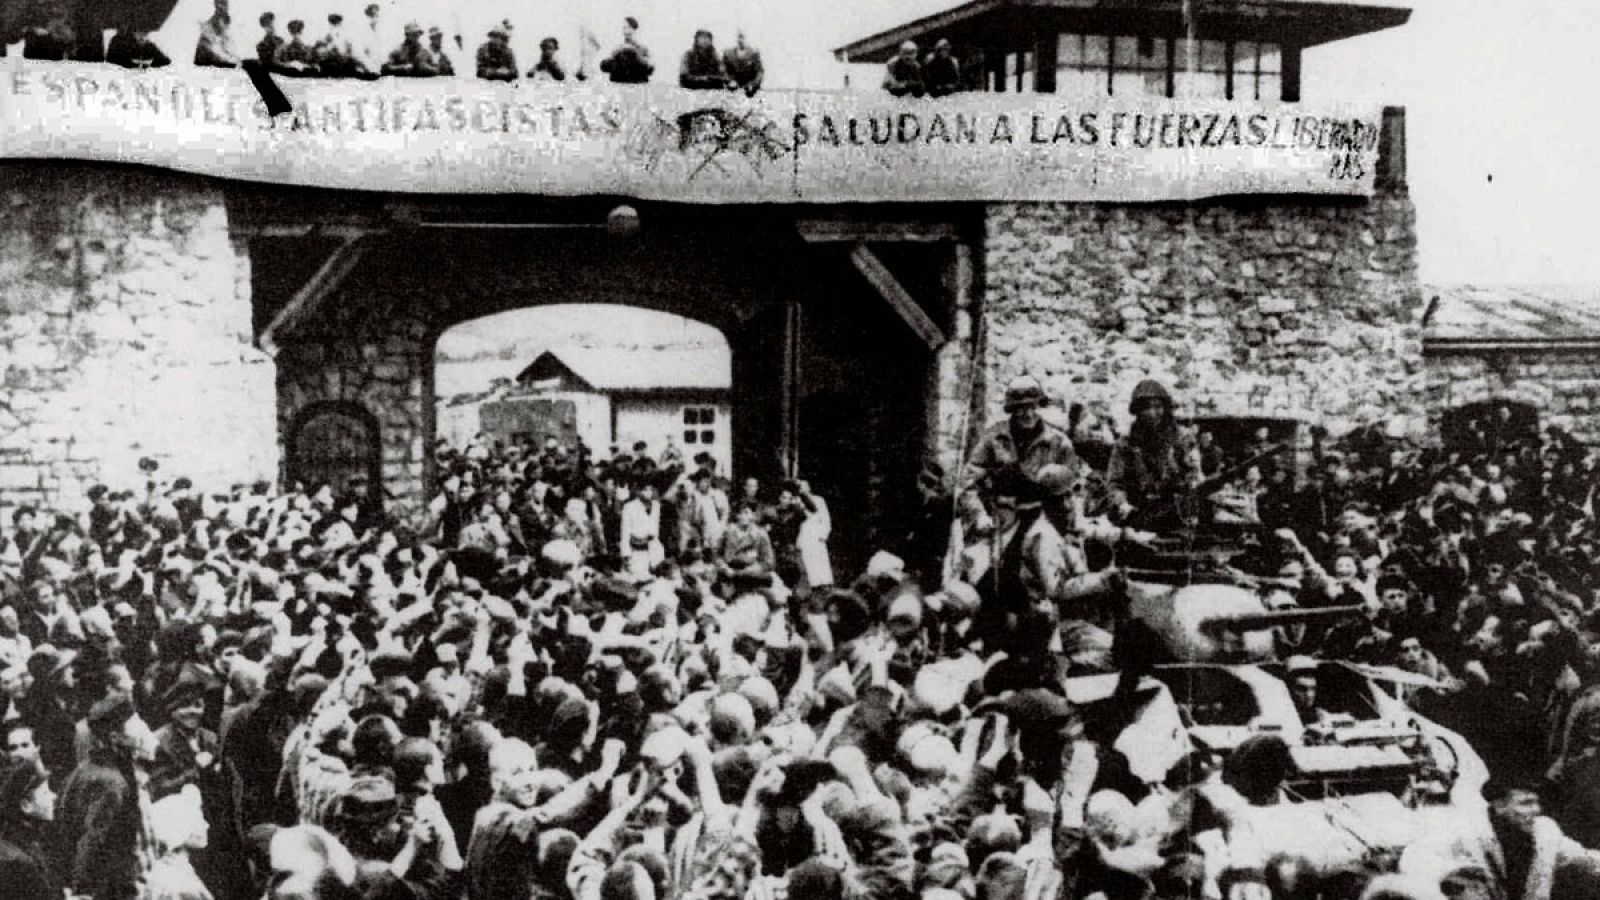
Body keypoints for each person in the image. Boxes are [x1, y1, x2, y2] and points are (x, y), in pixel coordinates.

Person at [959, 375, 1081, 539]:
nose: (1028, 414)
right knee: (977, 555)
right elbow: (968, 482)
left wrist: (1070, 527)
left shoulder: (1058, 442)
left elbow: (1072, 487)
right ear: (1012, 409)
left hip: (1044, 518)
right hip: (1000, 518)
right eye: (1021, 408)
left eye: (1033, 407)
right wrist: (979, 516)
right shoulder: (993, 438)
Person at [1106, 379, 1202, 532]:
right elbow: (1114, 483)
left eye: (1157, 407)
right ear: (1137, 411)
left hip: (1176, 513)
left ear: (1165, 408)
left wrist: (1191, 469)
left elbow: (1194, 478)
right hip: (1139, 514)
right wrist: (1122, 504)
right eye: (1146, 408)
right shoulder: (1125, 444)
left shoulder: (1182, 438)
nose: (1152, 413)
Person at [0, 758, 56, 900]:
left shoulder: (24, 844)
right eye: (45, 792)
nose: (54, 796)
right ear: (26, 805)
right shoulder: (18, 861)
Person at [599, 17, 653, 84]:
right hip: (619, 84)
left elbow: (649, 68)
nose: (626, 31)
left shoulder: (643, 49)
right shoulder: (617, 49)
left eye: (628, 27)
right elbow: (604, 66)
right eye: (624, 28)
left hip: (637, 84)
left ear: (634, 30)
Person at [194, 0, 239, 68]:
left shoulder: (224, 19)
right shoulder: (216, 20)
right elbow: (216, 44)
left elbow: (224, 43)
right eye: (221, 4)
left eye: (225, 4)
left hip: (211, 54)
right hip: (206, 57)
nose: (224, 7)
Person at [722, 31, 764, 96]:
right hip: (732, 89)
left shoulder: (754, 54)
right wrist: (730, 81)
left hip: (750, 91)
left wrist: (753, 84)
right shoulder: (728, 54)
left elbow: (759, 72)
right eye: (739, 37)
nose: (740, 40)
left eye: (743, 37)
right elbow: (724, 70)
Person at [313, 14, 356, 78]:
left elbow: (348, 48)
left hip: (341, 59)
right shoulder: (328, 35)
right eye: (334, 23)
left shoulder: (342, 34)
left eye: (337, 23)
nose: (336, 25)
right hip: (332, 59)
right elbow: (321, 48)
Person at [106, 27, 171, 69]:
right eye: (139, 33)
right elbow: (113, 61)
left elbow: (165, 61)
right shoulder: (123, 43)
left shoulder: (149, 46)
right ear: (133, 33)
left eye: (145, 34)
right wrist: (136, 65)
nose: (142, 37)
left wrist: (148, 65)